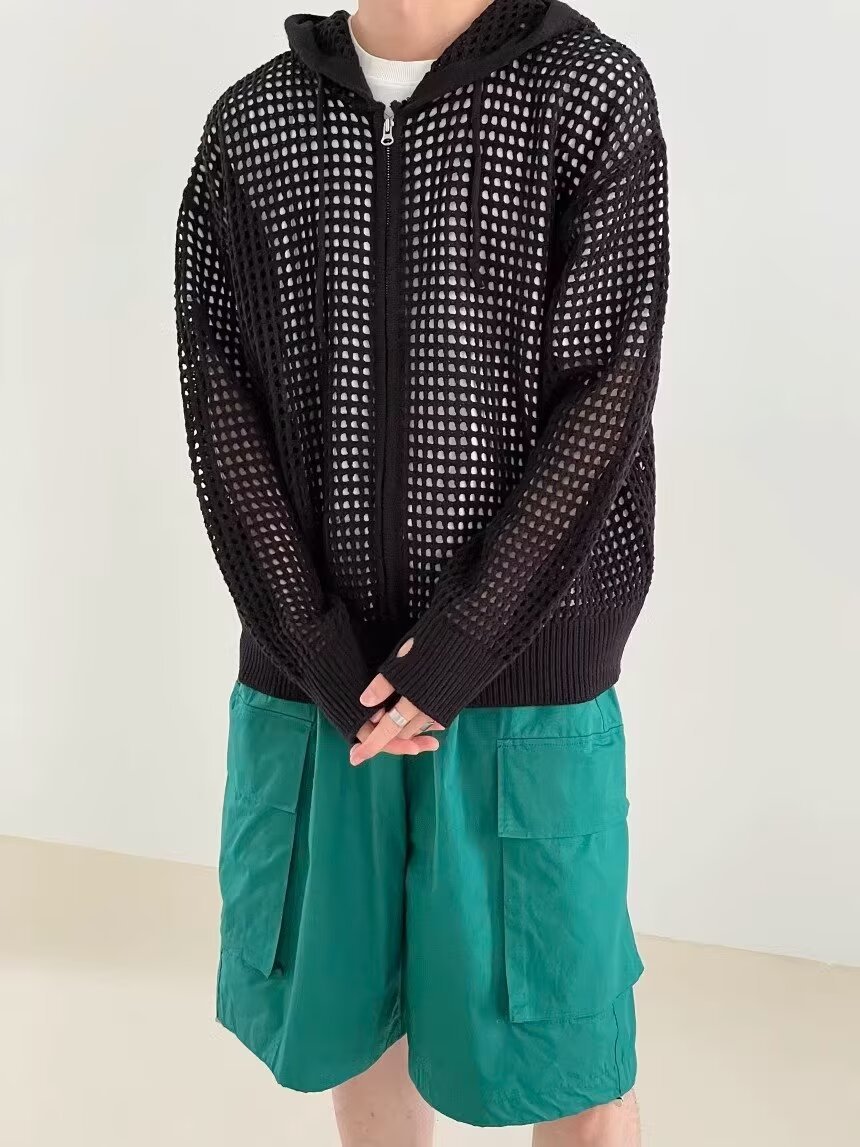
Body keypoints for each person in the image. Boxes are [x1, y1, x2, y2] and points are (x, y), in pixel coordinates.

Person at [173, 0, 669, 1142]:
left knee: (569, 1054)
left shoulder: (587, 94)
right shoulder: (253, 122)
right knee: (354, 1028)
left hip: (527, 685)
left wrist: (459, 645)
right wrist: (315, 645)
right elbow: (219, 400)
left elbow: (606, 390)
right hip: (319, 683)